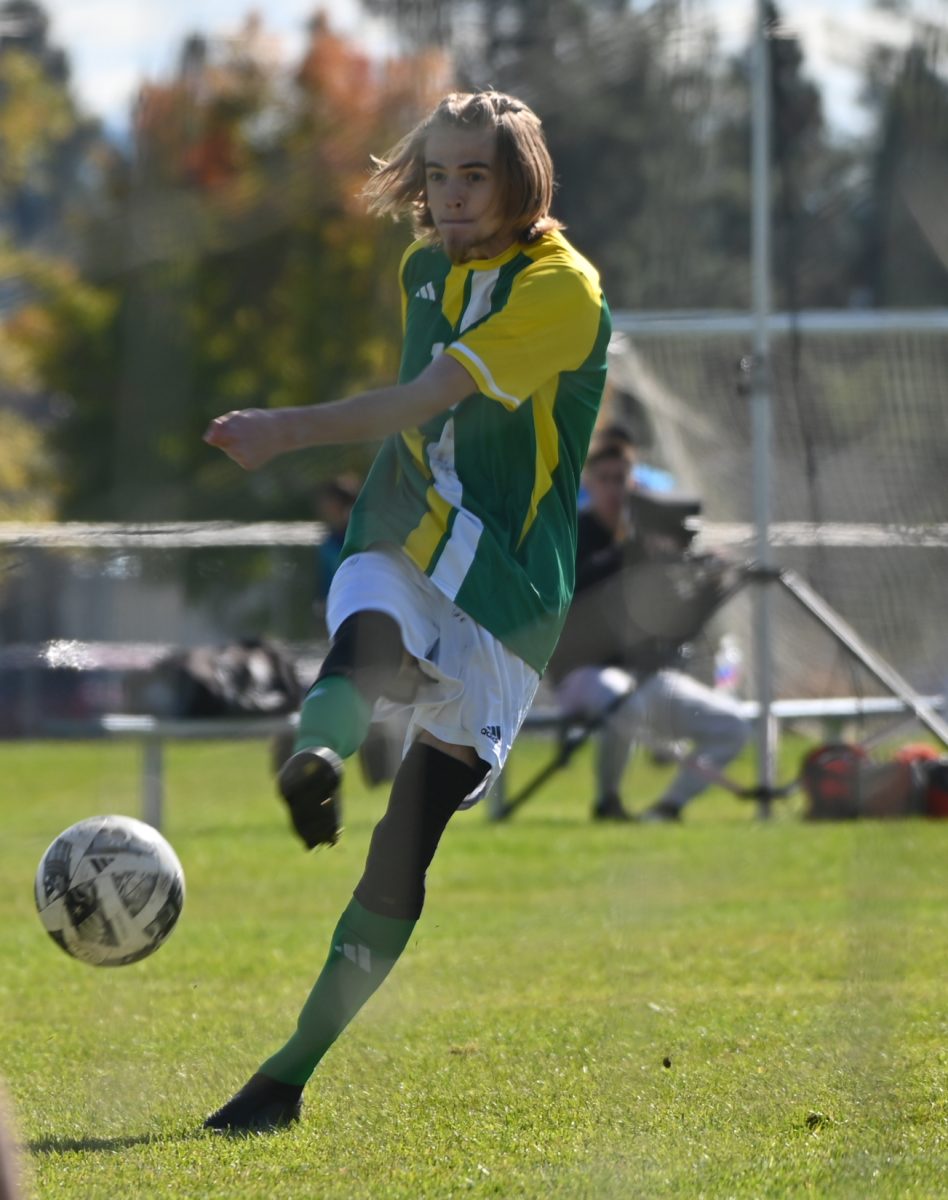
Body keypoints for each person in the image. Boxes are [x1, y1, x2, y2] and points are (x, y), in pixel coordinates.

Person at [201, 89, 611, 1131]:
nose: (456, 195)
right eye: (439, 175)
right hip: (401, 521)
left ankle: (286, 1070)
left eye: (477, 175)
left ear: (523, 182)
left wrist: (286, 430)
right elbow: (421, 426)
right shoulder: (423, 268)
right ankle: (321, 758)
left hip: (512, 595)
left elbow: (431, 398)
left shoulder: (563, 291)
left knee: (405, 843)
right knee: (364, 642)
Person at [547, 441, 749, 822]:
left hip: (648, 677)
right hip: (582, 675)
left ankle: (667, 807)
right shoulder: (570, 535)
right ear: (588, 483)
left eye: (621, 479)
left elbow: (679, 628)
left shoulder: (651, 542)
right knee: (625, 701)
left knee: (732, 724)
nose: (614, 488)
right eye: (604, 479)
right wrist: (640, 556)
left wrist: (711, 585)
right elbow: (584, 593)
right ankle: (608, 803)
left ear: (634, 483)